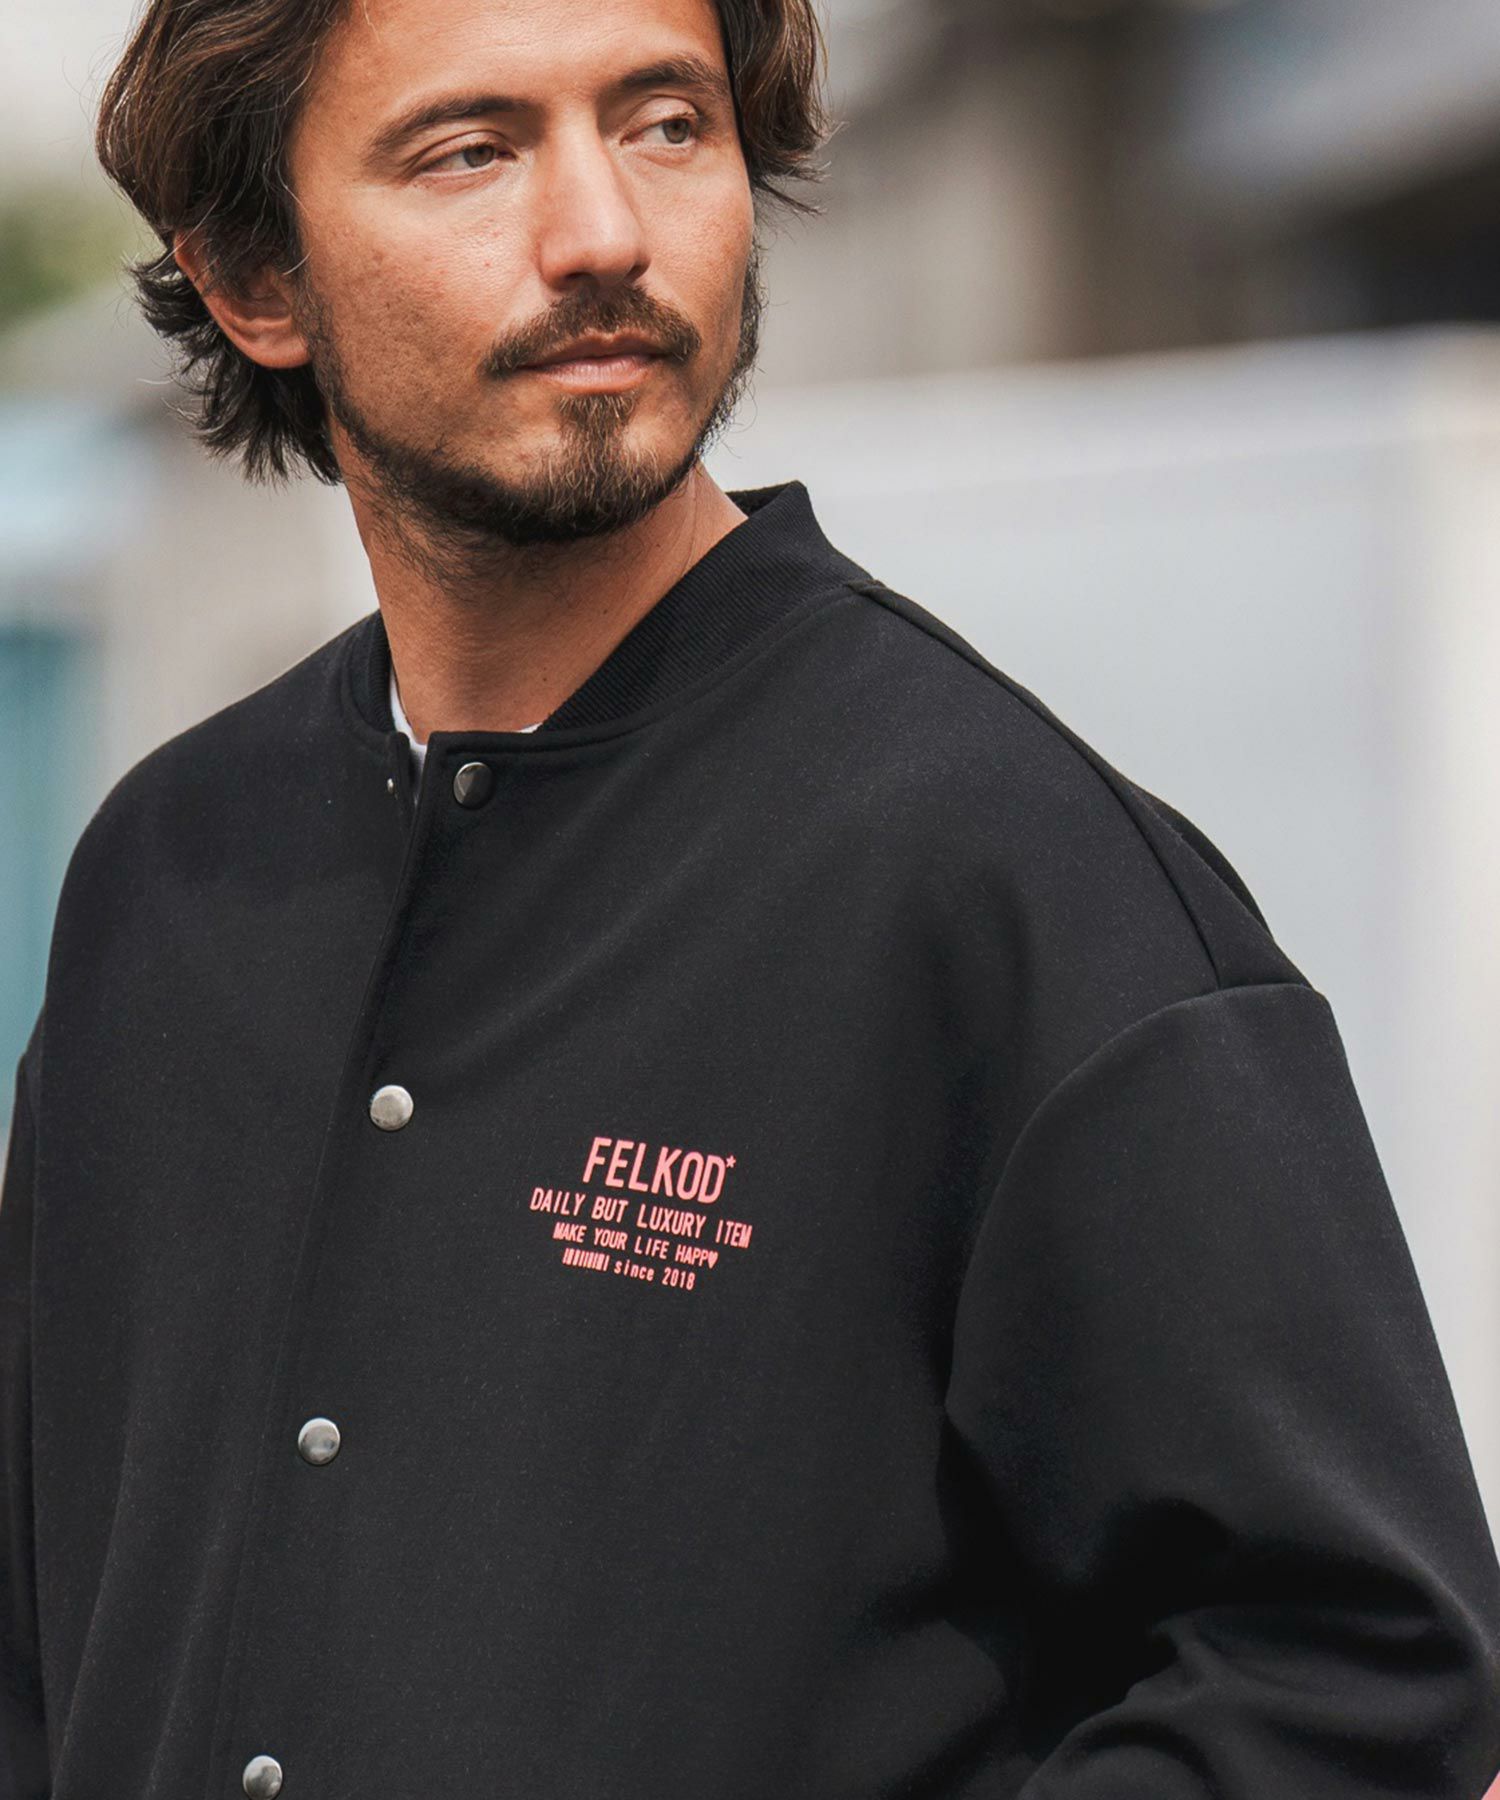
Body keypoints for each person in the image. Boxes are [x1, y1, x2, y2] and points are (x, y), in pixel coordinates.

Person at [3, 0, 1499, 1793]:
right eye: (472, 151)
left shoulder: (1011, 875)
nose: (603, 233)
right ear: (257, 276)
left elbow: (1355, 1678)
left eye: (666, 124)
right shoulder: (167, 871)